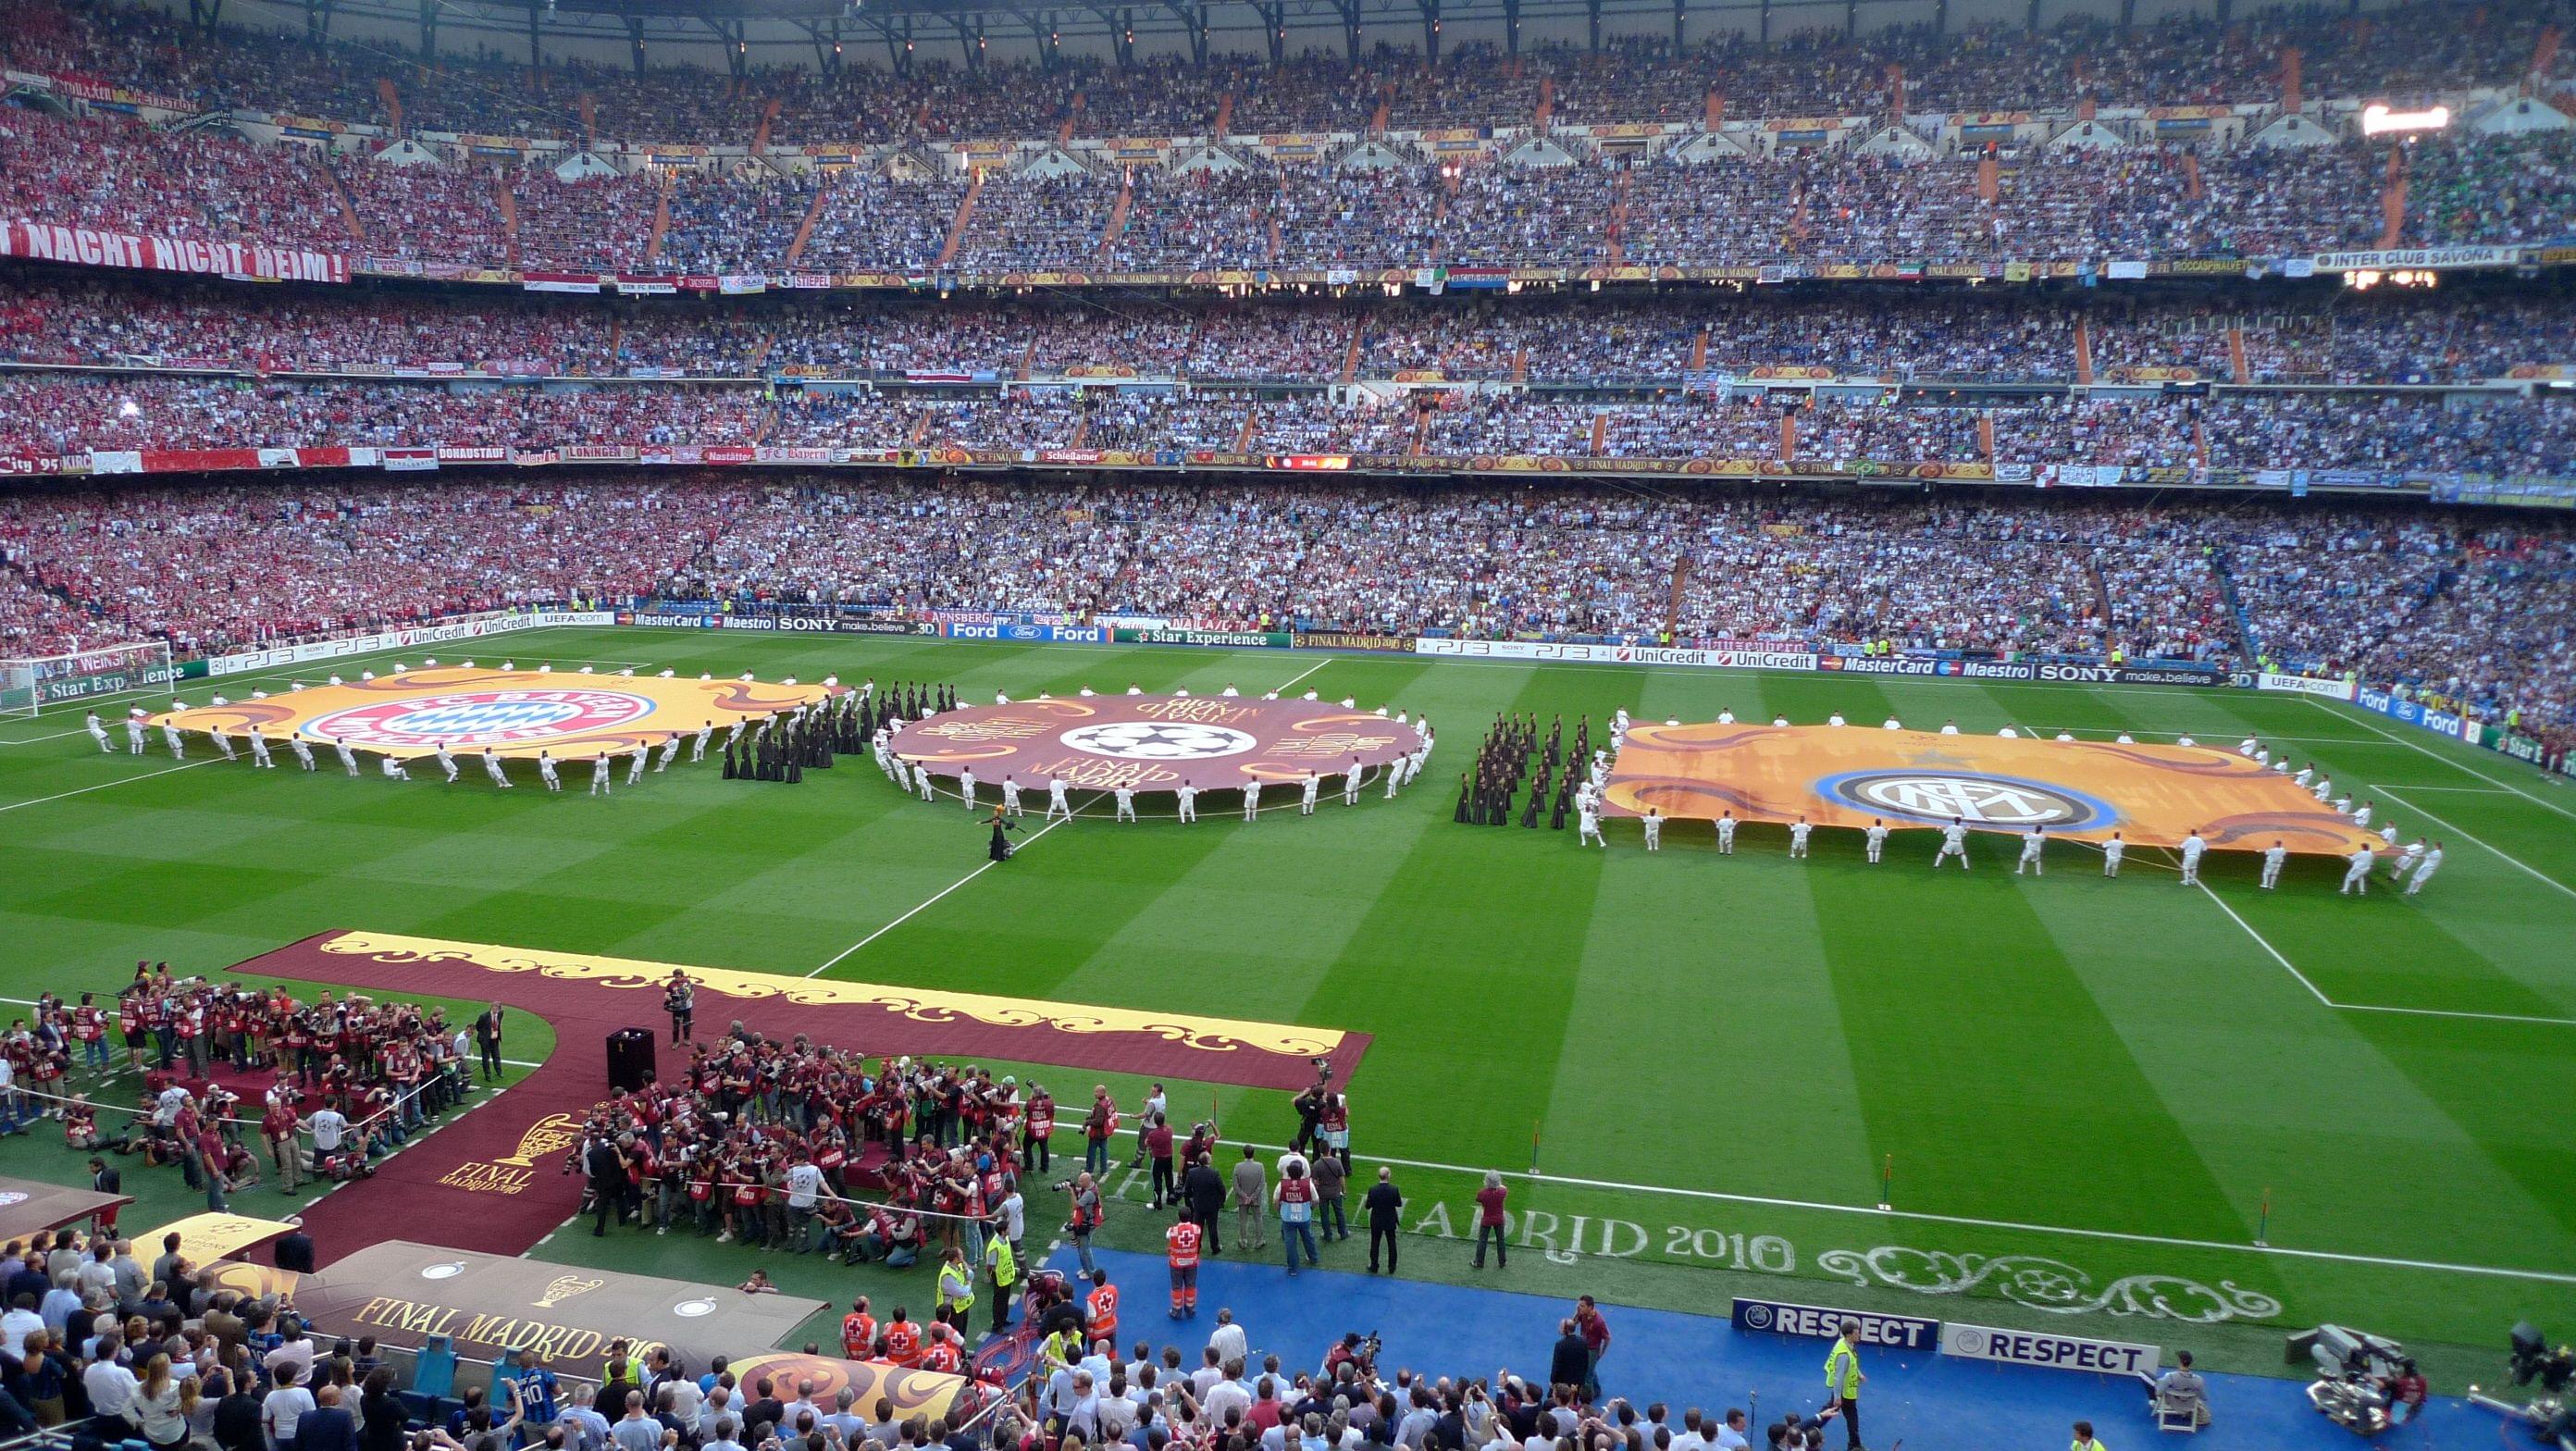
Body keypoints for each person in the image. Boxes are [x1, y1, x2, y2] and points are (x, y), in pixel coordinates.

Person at [1822, 1321, 1864, 1451]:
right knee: (1852, 1417)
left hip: (1842, 1391)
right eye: (1857, 1333)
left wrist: (1858, 1374)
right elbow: (1839, 1376)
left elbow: (1852, 1365)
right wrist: (1838, 1396)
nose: (1859, 1335)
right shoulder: (1844, 1355)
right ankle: (1854, 1445)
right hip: (1845, 1392)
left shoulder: (1843, 1343)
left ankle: (1812, 1427)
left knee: (1830, 1410)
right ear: (1849, 1335)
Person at [1275, 1160, 1318, 1276]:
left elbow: (1275, 1200)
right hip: (1304, 1216)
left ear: (1288, 1172)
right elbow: (1316, 1200)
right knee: (1308, 1237)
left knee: (1290, 1242)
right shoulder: (1308, 1184)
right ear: (1302, 1172)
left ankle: (1293, 1268)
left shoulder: (1282, 1184)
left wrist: (1279, 1211)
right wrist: (1310, 1208)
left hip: (1288, 1217)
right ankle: (1313, 1257)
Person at [2146, 1350, 2208, 1429]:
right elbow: (2203, 1397)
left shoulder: (2170, 1377)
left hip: (2172, 1403)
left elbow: (2158, 1393)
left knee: (2145, 1375)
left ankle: (2154, 1402)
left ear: (2179, 1362)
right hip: (2189, 1404)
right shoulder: (2199, 1379)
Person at [1360, 1166, 1403, 1274]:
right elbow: (1399, 1203)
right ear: (1388, 1176)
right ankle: (1392, 1267)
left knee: (1375, 1242)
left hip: (1377, 1220)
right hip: (1390, 1220)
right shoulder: (1394, 1189)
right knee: (1391, 1242)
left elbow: (1368, 1206)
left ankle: (1374, 1266)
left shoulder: (1373, 1190)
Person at [1165, 1207, 1201, 1319]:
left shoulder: (1173, 1231)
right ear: (1190, 1216)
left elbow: (1168, 1237)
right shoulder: (1196, 1229)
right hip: (1192, 1263)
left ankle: (1176, 1311)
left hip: (1176, 1264)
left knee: (1177, 1287)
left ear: (1179, 1217)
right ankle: (1190, 1309)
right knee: (1190, 1286)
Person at [1231, 1146, 1268, 1253]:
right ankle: (1259, 1241)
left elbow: (1235, 1184)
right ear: (1253, 1153)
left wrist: (1244, 1196)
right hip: (1255, 1199)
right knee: (1258, 1219)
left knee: (1243, 1219)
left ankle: (1243, 1241)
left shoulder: (1238, 1166)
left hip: (1243, 1200)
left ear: (1244, 1154)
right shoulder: (1260, 1166)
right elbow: (1261, 1184)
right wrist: (1253, 1197)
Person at [1472, 1170, 1507, 1269]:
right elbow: (1504, 1188)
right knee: (1501, 1241)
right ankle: (1502, 1262)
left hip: (1487, 1219)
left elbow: (1478, 1199)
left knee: (1482, 1241)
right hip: (1499, 1219)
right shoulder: (1502, 1192)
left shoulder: (1482, 1193)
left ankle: (1479, 1263)